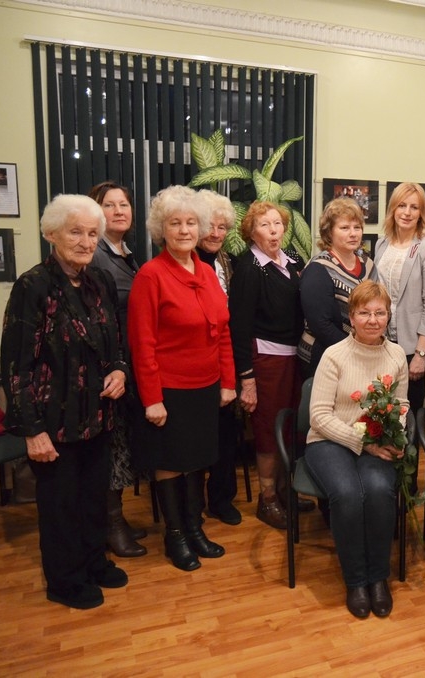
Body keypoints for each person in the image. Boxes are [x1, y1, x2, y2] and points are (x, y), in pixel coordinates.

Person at [1, 194, 130, 609]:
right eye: (75, 231)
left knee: (94, 498)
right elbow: (16, 366)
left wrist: (120, 370)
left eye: (93, 233)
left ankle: (94, 563)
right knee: (60, 507)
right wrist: (32, 431)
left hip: (98, 416)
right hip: (53, 421)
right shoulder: (33, 286)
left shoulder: (101, 282)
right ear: (51, 233)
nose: (85, 241)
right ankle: (64, 580)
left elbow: (115, 343)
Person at [127, 185, 237, 572]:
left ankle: (195, 527)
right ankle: (176, 535)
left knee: (197, 461)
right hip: (169, 389)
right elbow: (142, 344)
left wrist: (228, 381)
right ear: (162, 229)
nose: (185, 230)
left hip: (206, 386)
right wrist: (152, 398)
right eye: (176, 223)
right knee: (171, 462)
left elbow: (222, 330)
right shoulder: (150, 276)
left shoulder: (207, 273)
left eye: (191, 222)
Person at [303, 281, 408, 619]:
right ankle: (356, 580)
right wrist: (364, 443)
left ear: (388, 316)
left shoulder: (396, 355)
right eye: (364, 313)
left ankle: (379, 579)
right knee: (348, 495)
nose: (373, 320)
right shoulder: (334, 355)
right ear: (351, 316)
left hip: (377, 442)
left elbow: (402, 404)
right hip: (329, 441)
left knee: (378, 491)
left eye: (380, 313)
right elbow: (318, 416)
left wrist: (396, 436)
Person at [228, 200, 315, 529]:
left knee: (291, 424)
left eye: (277, 223)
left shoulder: (293, 262)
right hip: (266, 360)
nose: (273, 230)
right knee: (267, 429)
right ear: (251, 231)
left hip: (295, 358)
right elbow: (239, 327)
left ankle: (284, 490)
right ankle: (267, 500)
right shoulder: (250, 268)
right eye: (264, 225)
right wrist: (246, 378)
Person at [88, 181, 147, 558]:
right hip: (107, 366)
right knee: (112, 449)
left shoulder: (127, 254)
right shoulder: (94, 256)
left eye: (124, 204)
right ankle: (109, 523)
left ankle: (115, 518)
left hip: (131, 362)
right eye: (109, 205)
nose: (119, 210)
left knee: (123, 445)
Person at [374, 182, 425, 410]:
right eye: (402, 205)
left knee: (410, 413)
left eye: (414, 207)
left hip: (414, 348)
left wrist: (421, 354)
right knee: (386, 411)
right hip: (386, 344)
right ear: (393, 208)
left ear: (421, 213)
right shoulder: (381, 244)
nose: (407, 212)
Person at [195, 190, 242, 526]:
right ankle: (192, 503)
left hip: (226, 360)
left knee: (227, 433)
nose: (215, 233)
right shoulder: (184, 262)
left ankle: (221, 499)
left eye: (222, 227)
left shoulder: (230, 263)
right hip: (194, 365)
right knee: (197, 437)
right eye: (209, 226)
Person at [299, 197, 375, 377]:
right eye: (345, 228)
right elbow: (320, 325)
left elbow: (378, 305)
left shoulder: (368, 264)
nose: (353, 233)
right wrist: (356, 350)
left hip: (363, 354)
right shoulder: (318, 268)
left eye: (357, 227)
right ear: (329, 233)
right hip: (323, 355)